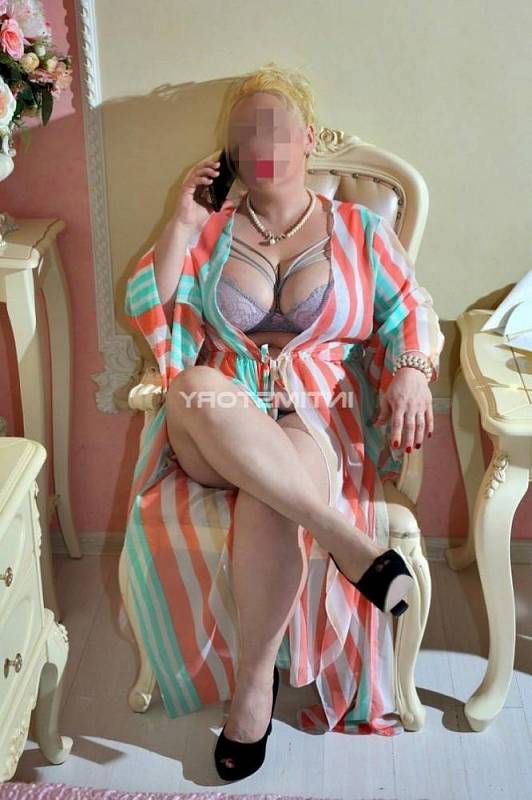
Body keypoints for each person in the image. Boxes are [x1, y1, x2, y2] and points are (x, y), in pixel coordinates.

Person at [124, 62, 445, 782]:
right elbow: (152, 307)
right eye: (245, 131)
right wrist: (182, 221)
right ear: (231, 150)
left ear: (307, 138)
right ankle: (346, 541)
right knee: (195, 385)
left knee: (268, 498)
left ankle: (252, 693)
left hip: (319, 414)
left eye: (275, 127)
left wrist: (413, 370)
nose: (261, 141)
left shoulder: (359, 228)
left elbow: (411, 307)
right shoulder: (210, 229)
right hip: (217, 417)